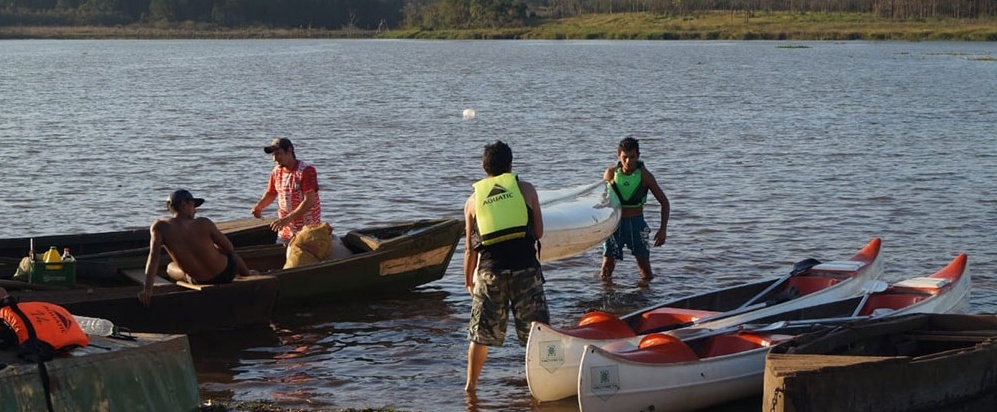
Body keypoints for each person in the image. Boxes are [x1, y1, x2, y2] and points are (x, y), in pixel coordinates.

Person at [463, 140, 548, 392]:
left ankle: (471, 388)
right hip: (526, 272)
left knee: (480, 336)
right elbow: (540, 232)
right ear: (511, 165)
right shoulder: (527, 190)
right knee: (537, 333)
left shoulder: (471, 202)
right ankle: (543, 385)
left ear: (483, 167)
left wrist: (469, 281)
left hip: (490, 274)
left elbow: (470, 250)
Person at [138, 189, 255, 307]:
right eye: (193, 206)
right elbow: (229, 248)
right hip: (225, 274)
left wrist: (147, 289)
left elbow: (153, 258)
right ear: (184, 204)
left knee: (170, 267)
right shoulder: (204, 222)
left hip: (198, 280)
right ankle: (247, 274)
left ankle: (246, 273)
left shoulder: (160, 226)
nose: (195, 210)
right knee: (232, 255)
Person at [601, 137, 670, 285]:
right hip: (614, 225)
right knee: (607, 267)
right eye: (625, 157)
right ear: (618, 155)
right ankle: (605, 295)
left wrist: (663, 229)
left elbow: (664, 202)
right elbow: (601, 201)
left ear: (638, 156)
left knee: (645, 268)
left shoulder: (645, 176)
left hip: (636, 223)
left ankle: (645, 298)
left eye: (632, 157)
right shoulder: (610, 174)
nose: (628, 162)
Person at [251, 138, 322, 244]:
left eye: (278, 154)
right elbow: (271, 193)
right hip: (285, 230)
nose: (275, 159)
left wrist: (288, 218)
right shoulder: (276, 171)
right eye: (273, 155)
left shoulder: (306, 171)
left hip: (308, 230)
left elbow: (309, 201)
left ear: (289, 151)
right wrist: (259, 207)